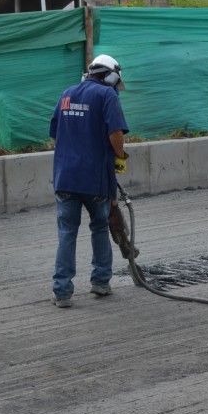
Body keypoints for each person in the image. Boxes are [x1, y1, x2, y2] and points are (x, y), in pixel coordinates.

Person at [49, 54, 129, 308]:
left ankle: (62, 292)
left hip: (65, 178)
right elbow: (115, 133)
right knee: (99, 228)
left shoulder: (66, 94)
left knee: (66, 233)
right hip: (94, 180)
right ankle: (101, 281)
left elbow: (55, 132)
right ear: (112, 76)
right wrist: (120, 156)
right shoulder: (107, 96)